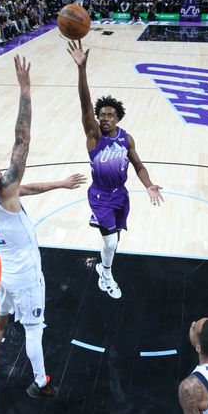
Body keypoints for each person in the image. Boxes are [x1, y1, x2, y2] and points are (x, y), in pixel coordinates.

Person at [0, 55, 86, 398]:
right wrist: (25, 89)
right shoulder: (3, 189)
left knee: (1, 320)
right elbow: (21, 139)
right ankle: (41, 383)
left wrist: (59, 184)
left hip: (2, 273)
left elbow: (25, 190)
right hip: (25, 276)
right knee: (34, 330)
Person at [67, 39, 163, 299]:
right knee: (110, 242)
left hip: (120, 194)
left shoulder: (126, 138)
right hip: (100, 195)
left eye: (110, 115)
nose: (104, 118)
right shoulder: (94, 137)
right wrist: (81, 69)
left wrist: (149, 185)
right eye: (102, 115)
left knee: (115, 239)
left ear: (118, 118)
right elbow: (85, 103)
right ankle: (105, 274)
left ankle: (105, 264)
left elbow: (139, 165)